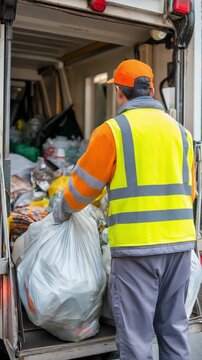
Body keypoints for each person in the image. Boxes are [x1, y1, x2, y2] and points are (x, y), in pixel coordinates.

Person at [53, 59, 196, 360]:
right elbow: (190, 192)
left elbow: (84, 188)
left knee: (136, 338)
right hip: (181, 247)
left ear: (120, 92)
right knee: (173, 328)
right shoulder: (180, 132)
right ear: (152, 89)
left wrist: (62, 210)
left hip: (136, 250)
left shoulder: (113, 131)